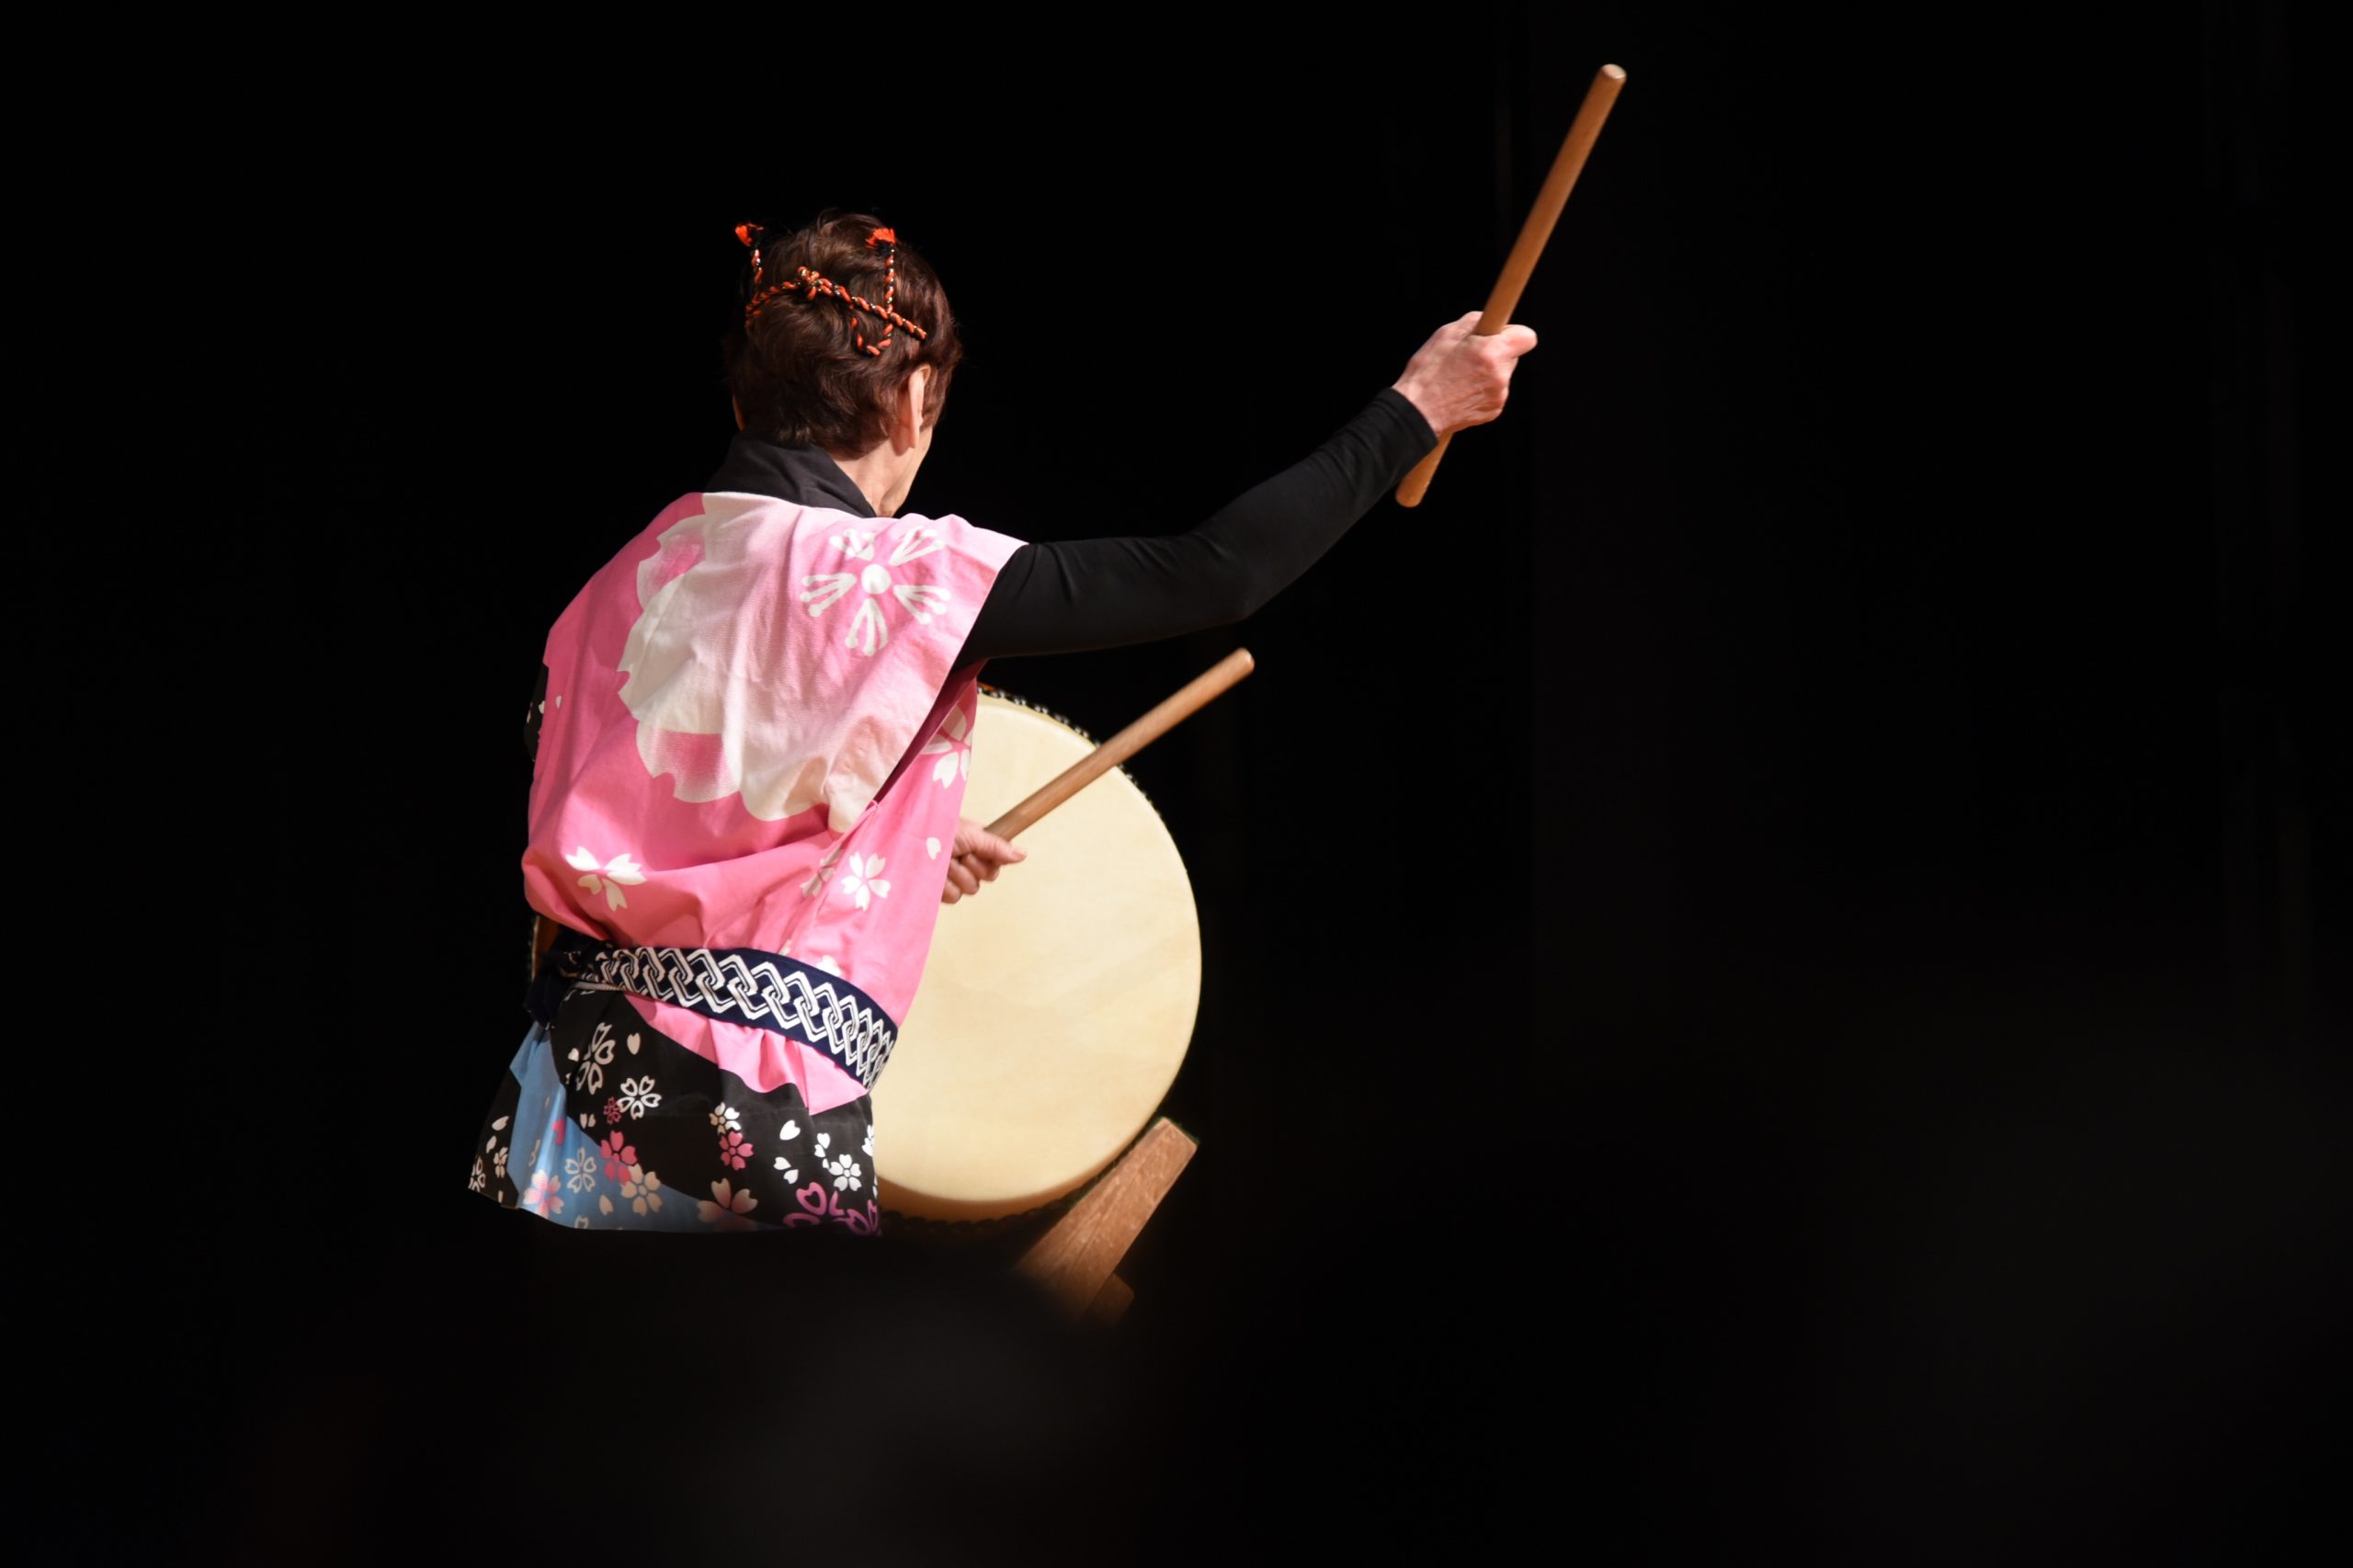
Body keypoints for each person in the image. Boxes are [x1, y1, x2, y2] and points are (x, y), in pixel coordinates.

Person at [463, 209, 1537, 1239]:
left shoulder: (616, 585)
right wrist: (1414, 410)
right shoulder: (893, 580)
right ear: (911, 400)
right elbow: (1214, 572)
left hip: (557, 1112)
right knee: (780, 1367)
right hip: (736, 1114)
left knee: (604, 1374)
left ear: (745, 401)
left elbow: (668, 822)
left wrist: (895, 844)